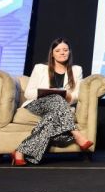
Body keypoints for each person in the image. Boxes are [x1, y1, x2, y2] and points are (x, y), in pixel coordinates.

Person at [11, 38, 94, 166]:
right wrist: (48, 92)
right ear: (52, 53)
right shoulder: (40, 68)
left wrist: (69, 96)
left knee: (52, 115)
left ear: (69, 52)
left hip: (61, 106)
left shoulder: (77, 70)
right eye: (58, 50)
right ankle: (76, 133)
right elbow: (28, 93)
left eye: (65, 50)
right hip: (37, 104)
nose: (62, 53)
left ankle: (20, 151)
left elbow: (78, 94)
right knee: (56, 97)